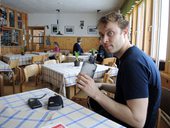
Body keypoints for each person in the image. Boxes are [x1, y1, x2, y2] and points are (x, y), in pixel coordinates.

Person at [76, 11, 161, 128]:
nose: (103, 40)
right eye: (101, 35)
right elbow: (130, 90)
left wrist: (96, 94)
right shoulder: (133, 56)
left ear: (125, 32)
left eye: (110, 33)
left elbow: (137, 121)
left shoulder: (133, 63)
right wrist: (101, 85)